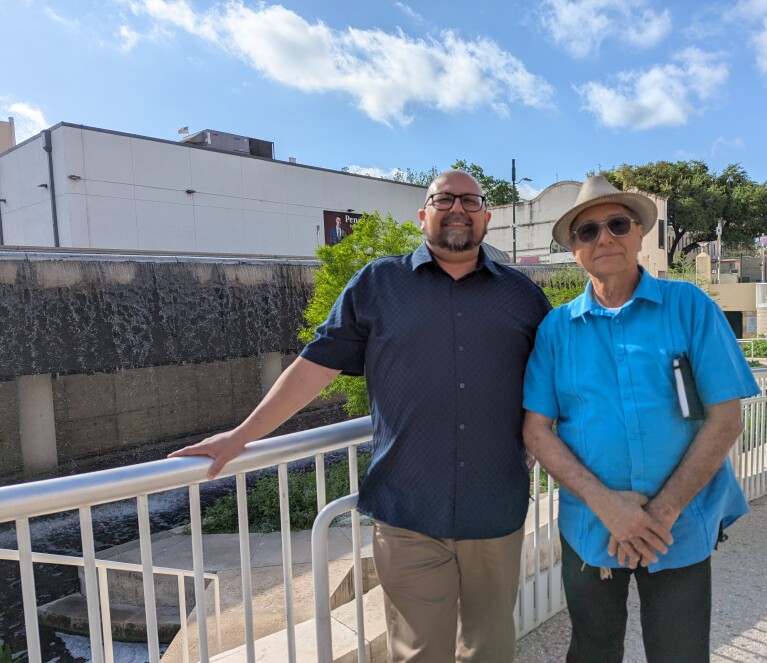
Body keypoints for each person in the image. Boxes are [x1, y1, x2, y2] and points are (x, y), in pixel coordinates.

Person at [171, 170, 551, 662]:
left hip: (495, 507)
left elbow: (559, 379)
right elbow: (313, 369)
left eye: (470, 201)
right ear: (423, 216)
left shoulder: (521, 295)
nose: (458, 208)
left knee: (491, 648)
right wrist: (242, 435)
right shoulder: (377, 283)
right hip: (407, 513)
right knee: (418, 653)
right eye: (444, 200)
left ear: (487, 217)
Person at [522, 176, 760, 663]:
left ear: (638, 234)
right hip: (592, 526)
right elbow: (536, 431)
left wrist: (659, 514)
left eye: (616, 224)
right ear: (574, 249)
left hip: (680, 525)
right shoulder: (555, 330)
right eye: (587, 232)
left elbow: (726, 419)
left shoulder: (689, 306)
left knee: (679, 652)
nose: (603, 238)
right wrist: (611, 508)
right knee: (592, 650)